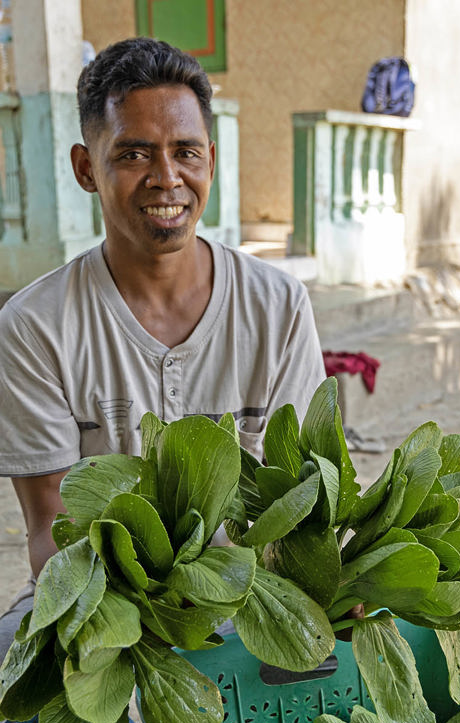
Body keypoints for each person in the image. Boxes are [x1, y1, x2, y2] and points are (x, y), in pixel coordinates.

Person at [0, 37, 326, 661]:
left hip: (252, 605)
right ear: (85, 168)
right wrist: (119, 644)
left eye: (185, 152)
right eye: (133, 154)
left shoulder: (279, 307)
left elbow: (303, 501)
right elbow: (52, 530)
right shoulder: (34, 326)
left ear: (211, 159)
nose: (166, 178)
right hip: (104, 611)